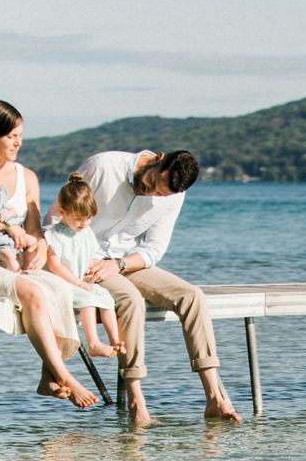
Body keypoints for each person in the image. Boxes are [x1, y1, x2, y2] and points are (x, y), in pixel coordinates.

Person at [69, 146, 239, 427]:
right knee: (130, 300)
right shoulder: (103, 167)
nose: (151, 194)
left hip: (125, 262)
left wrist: (121, 265)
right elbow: (59, 215)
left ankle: (215, 397)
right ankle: (137, 402)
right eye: (152, 185)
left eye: (160, 194)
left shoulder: (174, 195)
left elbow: (154, 249)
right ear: (159, 159)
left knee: (192, 296)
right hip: (85, 261)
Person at [0, 99, 98, 410]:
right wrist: (4, 224)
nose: (18, 142)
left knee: (60, 288)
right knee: (31, 291)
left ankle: (47, 377)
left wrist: (38, 249)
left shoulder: (26, 176)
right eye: (11, 136)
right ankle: (65, 376)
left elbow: (35, 229)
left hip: (16, 261)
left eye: (20, 135)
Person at [43, 175, 125, 362]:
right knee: (88, 297)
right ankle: (94, 343)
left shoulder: (85, 232)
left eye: (88, 218)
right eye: (79, 219)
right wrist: (78, 283)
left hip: (80, 281)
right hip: (62, 284)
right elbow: (55, 266)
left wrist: (89, 270)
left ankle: (115, 340)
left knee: (105, 297)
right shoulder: (54, 235)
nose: (84, 223)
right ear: (62, 212)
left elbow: (88, 256)